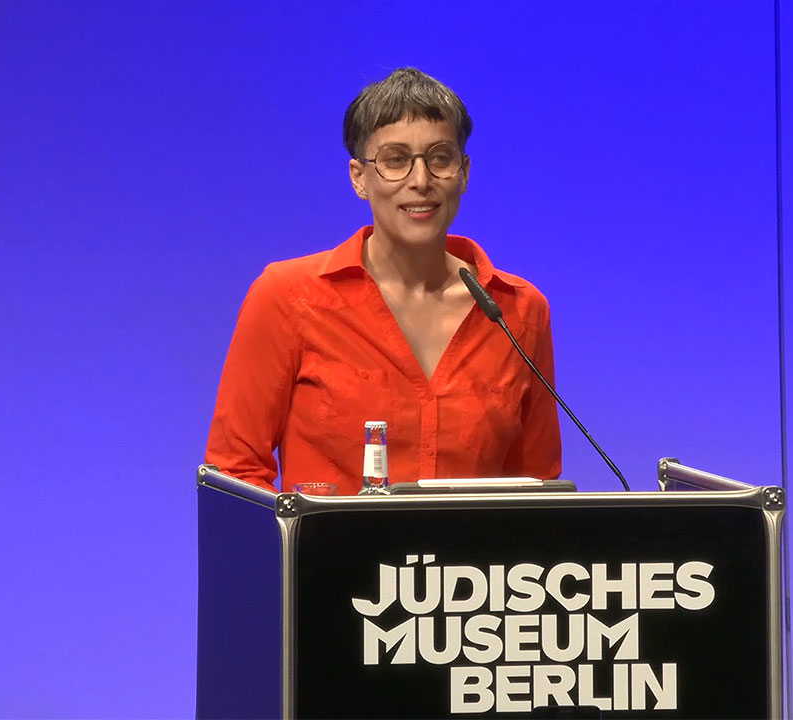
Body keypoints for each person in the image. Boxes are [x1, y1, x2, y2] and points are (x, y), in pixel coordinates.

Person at [204, 68, 561, 495]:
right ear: (359, 177)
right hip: (328, 561)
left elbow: (535, 490)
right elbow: (234, 475)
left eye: (439, 158)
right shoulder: (286, 296)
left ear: (463, 173)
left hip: (468, 564)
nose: (421, 181)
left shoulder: (518, 310)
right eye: (395, 160)